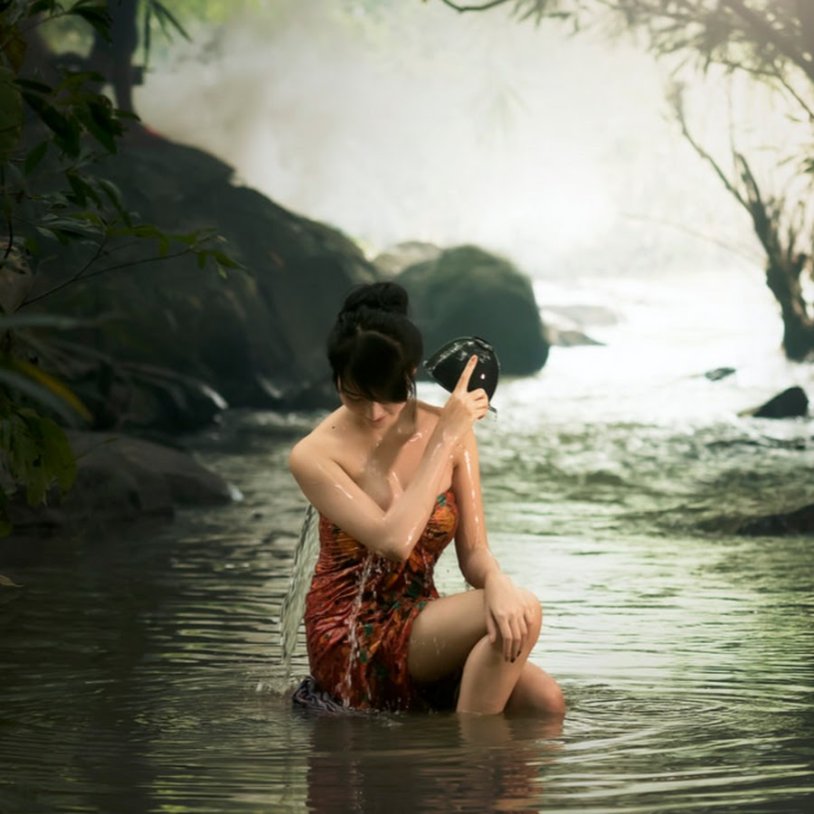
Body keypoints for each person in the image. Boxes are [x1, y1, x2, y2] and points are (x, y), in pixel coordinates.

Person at [288, 281, 565, 717]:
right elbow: (393, 540)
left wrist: (496, 582)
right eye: (355, 395)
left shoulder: (451, 429)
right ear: (336, 377)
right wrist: (445, 437)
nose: (374, 413)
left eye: (387, 397)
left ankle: (474, 752)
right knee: (524, 612)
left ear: (409, 372)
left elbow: (474, 553)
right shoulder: (314, 454)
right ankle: (467, 759)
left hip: (421, 618)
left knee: (545, 704)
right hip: (352, 630)